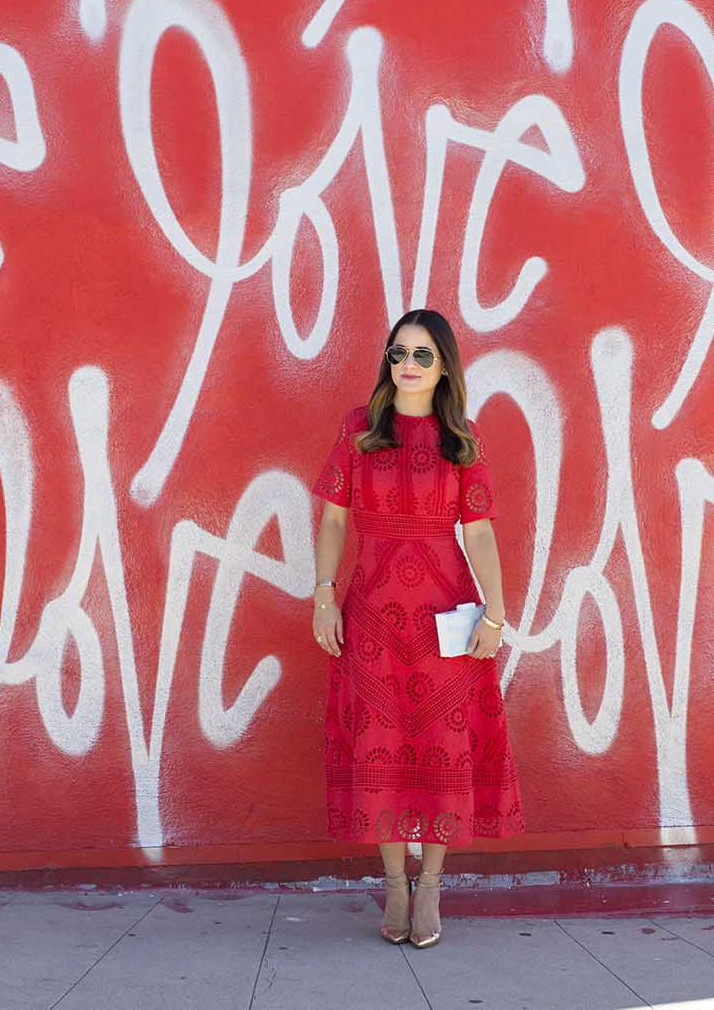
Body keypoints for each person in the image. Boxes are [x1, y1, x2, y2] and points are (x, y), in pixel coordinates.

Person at [310, 307, 525, 948]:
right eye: (398, 353)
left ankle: (430, 883)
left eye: (422, 355)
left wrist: (498, 611)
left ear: (444, 367)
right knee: (380, 742)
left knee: (442, 747)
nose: (407, 364)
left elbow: (481, 532)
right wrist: (324, 596)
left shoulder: (463, 438)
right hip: (371, 613)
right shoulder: (360, 431)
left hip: (446, 617)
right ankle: (394, 883)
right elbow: (332, 522)